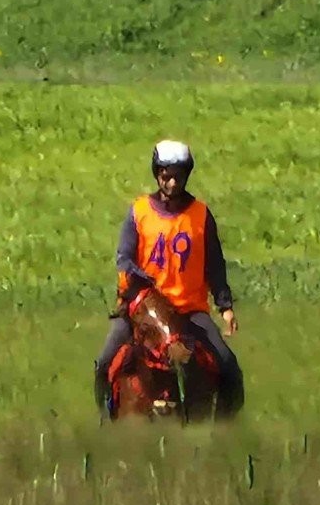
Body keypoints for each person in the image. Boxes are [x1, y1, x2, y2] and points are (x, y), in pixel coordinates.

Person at [94, 140, 243, 418]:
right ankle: (105, 419)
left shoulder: (200, 214)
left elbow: (214, 264)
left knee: (228, 365)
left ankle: (226, 428)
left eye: (178, 175)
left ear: (187, 175)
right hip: (142, 310)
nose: (172, 182)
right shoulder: (139, 211)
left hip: (188, 311)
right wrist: (142, 280)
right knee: (104, 363)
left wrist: (226, 307)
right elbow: (124, 258)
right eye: (166, 175)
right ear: (156, 174)